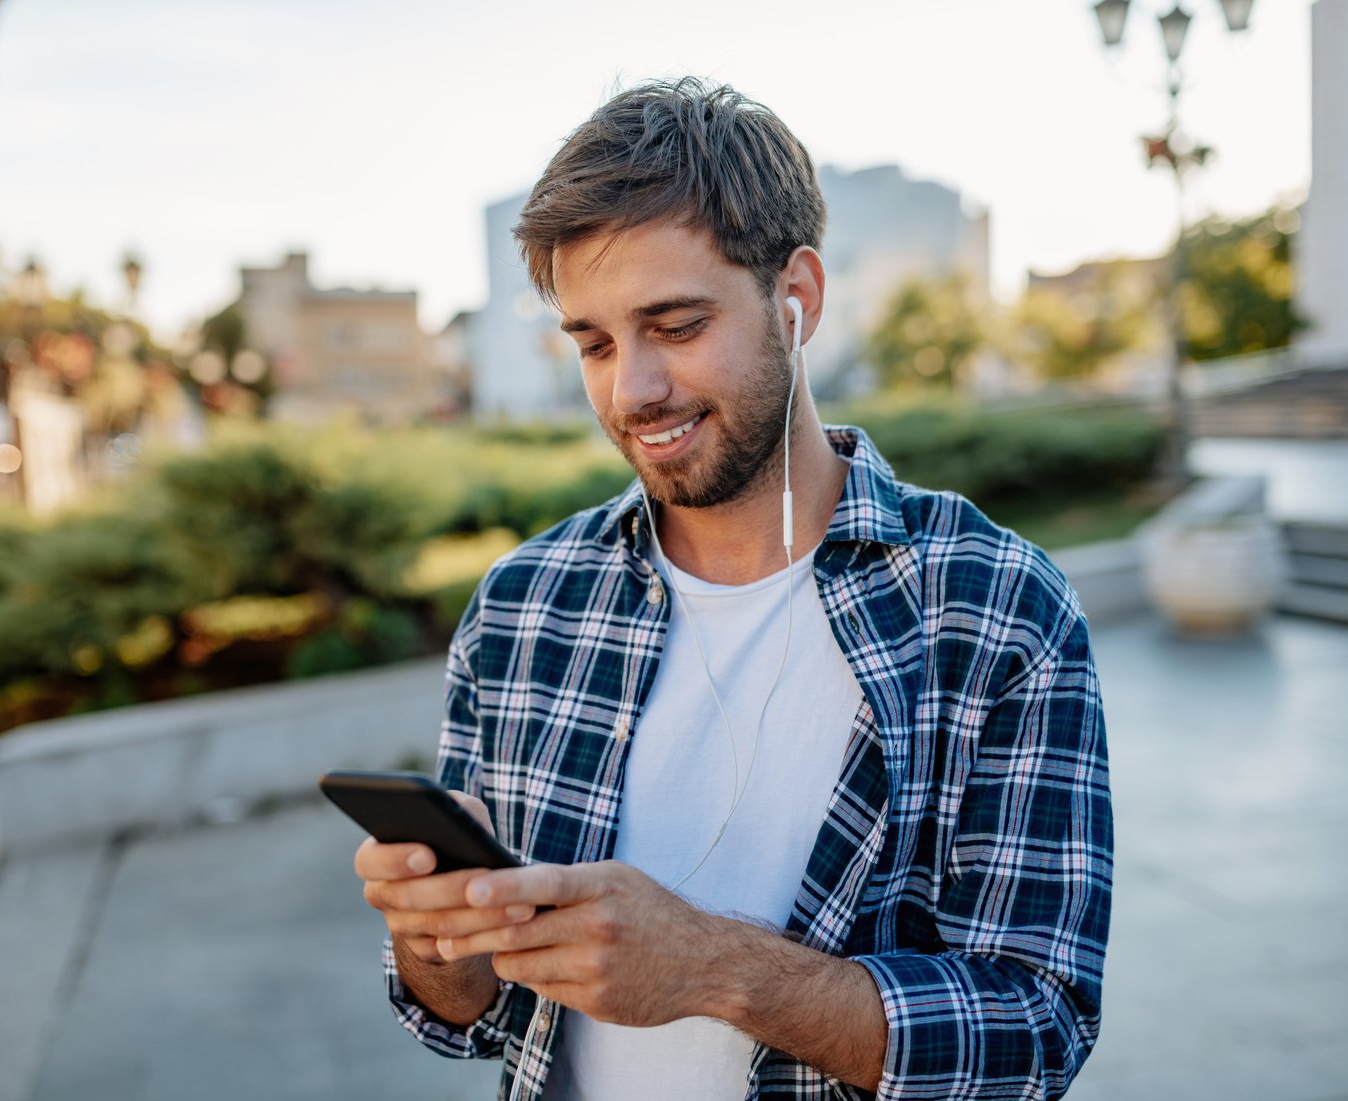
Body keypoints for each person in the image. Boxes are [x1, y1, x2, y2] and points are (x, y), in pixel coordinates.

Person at [355, 77, 1112, 1101]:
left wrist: (713, 968)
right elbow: (468, 1016)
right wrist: (437, 950)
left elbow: (1034, 1033)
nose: (631, 391)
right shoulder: (521, 606)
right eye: (593, 343)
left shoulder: (990, 607)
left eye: (672, 324)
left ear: (794, 298)